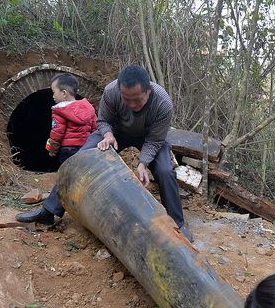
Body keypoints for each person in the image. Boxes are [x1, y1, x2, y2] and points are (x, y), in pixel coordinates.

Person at [18, 65, 192, 241]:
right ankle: (48, 210)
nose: (132, 105)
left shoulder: (163, 103)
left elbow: (155, 140)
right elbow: (103, 121)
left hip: (150, 137)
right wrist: (108, 135)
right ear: (119, 90)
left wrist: (142, 163)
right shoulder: (111, 91)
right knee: (81, 158)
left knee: (164, 170)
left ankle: (178, 223)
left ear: (148, 90)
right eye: (126, 99)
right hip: (116, 132)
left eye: (137, 100)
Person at [15, 73, 96, 227]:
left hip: (68, 150)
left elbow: (57, 133)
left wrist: (52, 149)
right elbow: (94, 129)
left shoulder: (60, 110)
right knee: (74, 179)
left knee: (65, 179)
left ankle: (47, 212)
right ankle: (49, 212)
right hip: (86, 149)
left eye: (54, 92)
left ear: (64, 93)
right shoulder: (89, 108)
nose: (52, 96)